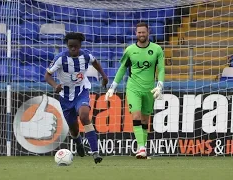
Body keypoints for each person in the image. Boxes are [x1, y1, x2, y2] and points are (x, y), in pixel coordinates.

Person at [45, 32, 108, 164]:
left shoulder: (85, 55)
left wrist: (104, 75)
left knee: (84, 116)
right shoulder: (60, 58)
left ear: (80, 45)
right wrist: (55, 85)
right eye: (70, 46)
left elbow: (95, 62)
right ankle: (78, 142)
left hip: (81, 92)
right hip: (65, 97)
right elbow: (47, 75)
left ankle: (95, 152)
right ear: (67, 46)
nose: (73, 49)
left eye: (75, 46)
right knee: (74, 129)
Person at [105, 22, 165, 159]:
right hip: (133, 88)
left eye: (143, 32)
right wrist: (112, 88)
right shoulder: (130, 50)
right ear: (135, 33)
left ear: (148, 32)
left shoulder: (157, 49)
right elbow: (122, 69)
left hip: (150, 89)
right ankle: (141, 148)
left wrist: (160, 85)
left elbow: (161, 68)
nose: (141, 35)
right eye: (139, 32)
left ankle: (142, 149)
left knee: (145, 119)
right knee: (136, 116)